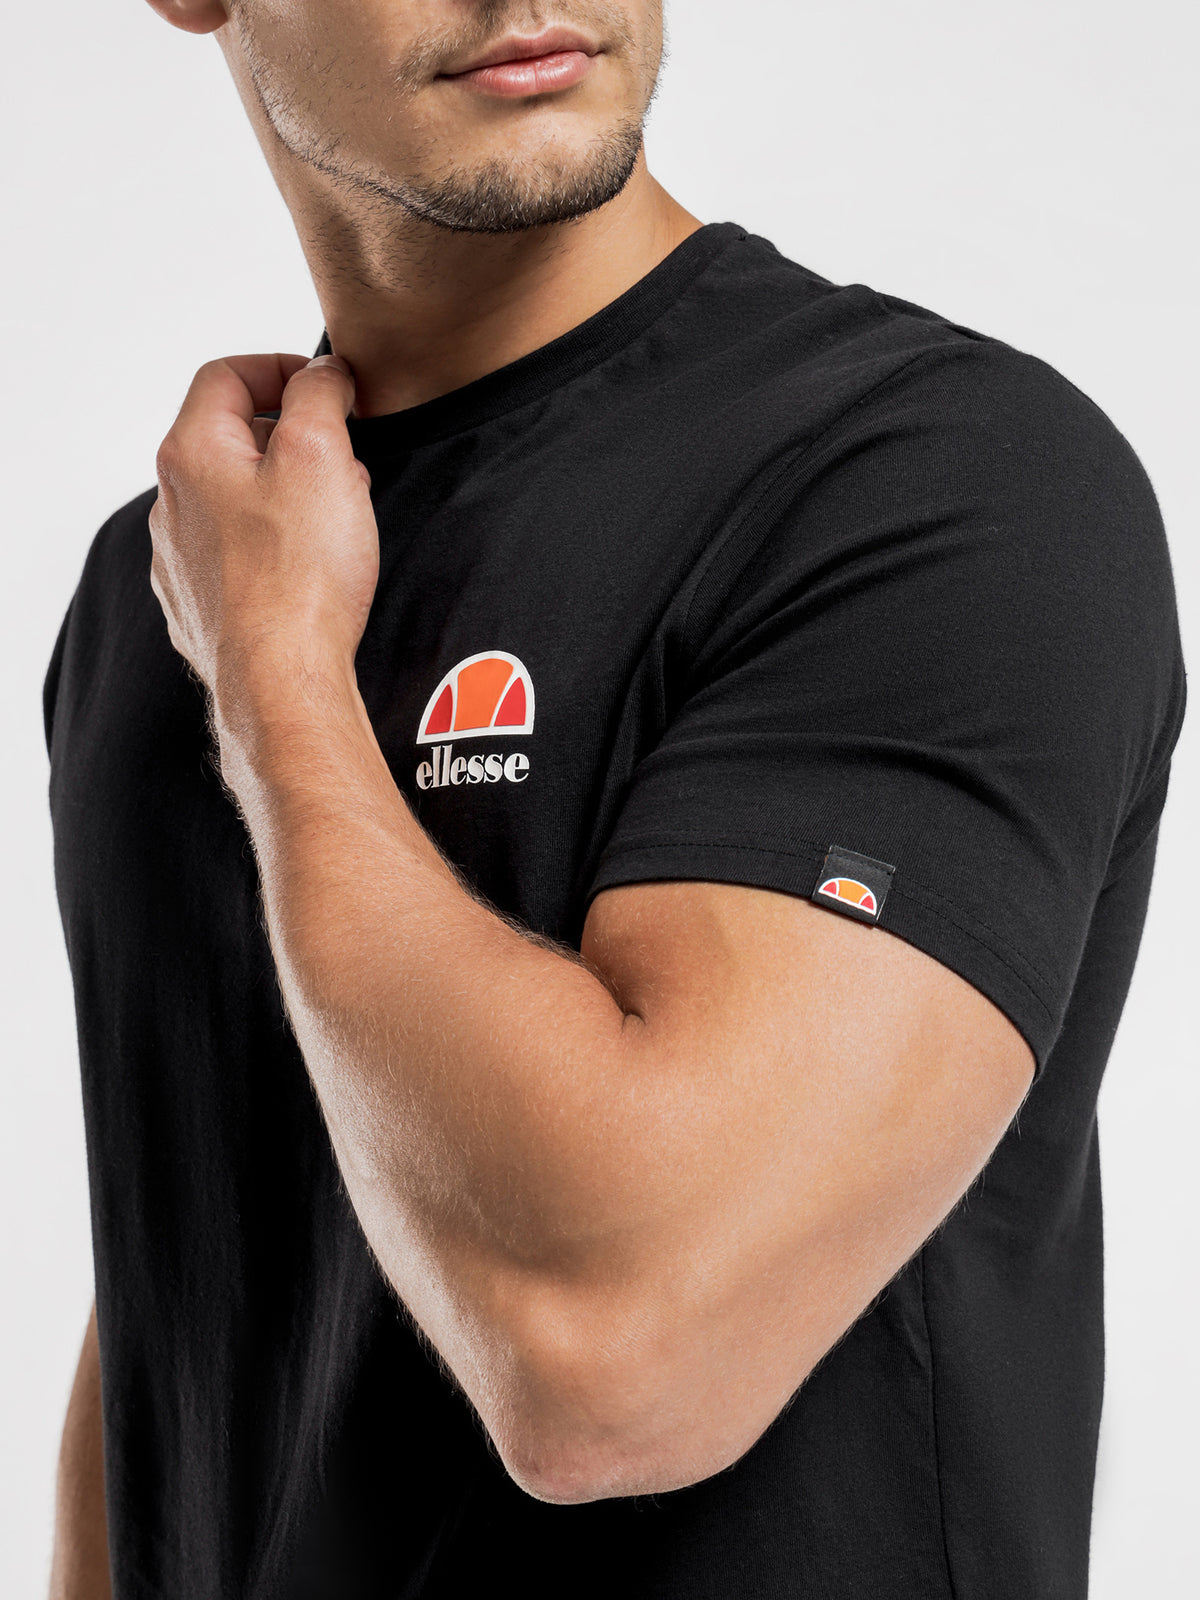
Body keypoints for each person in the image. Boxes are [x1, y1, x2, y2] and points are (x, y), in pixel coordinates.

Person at [44, 2, 1186, 1597]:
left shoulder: (936, 478)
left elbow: (618, 1366)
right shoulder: (175, 574)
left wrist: (279, 692)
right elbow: (193, 1291)